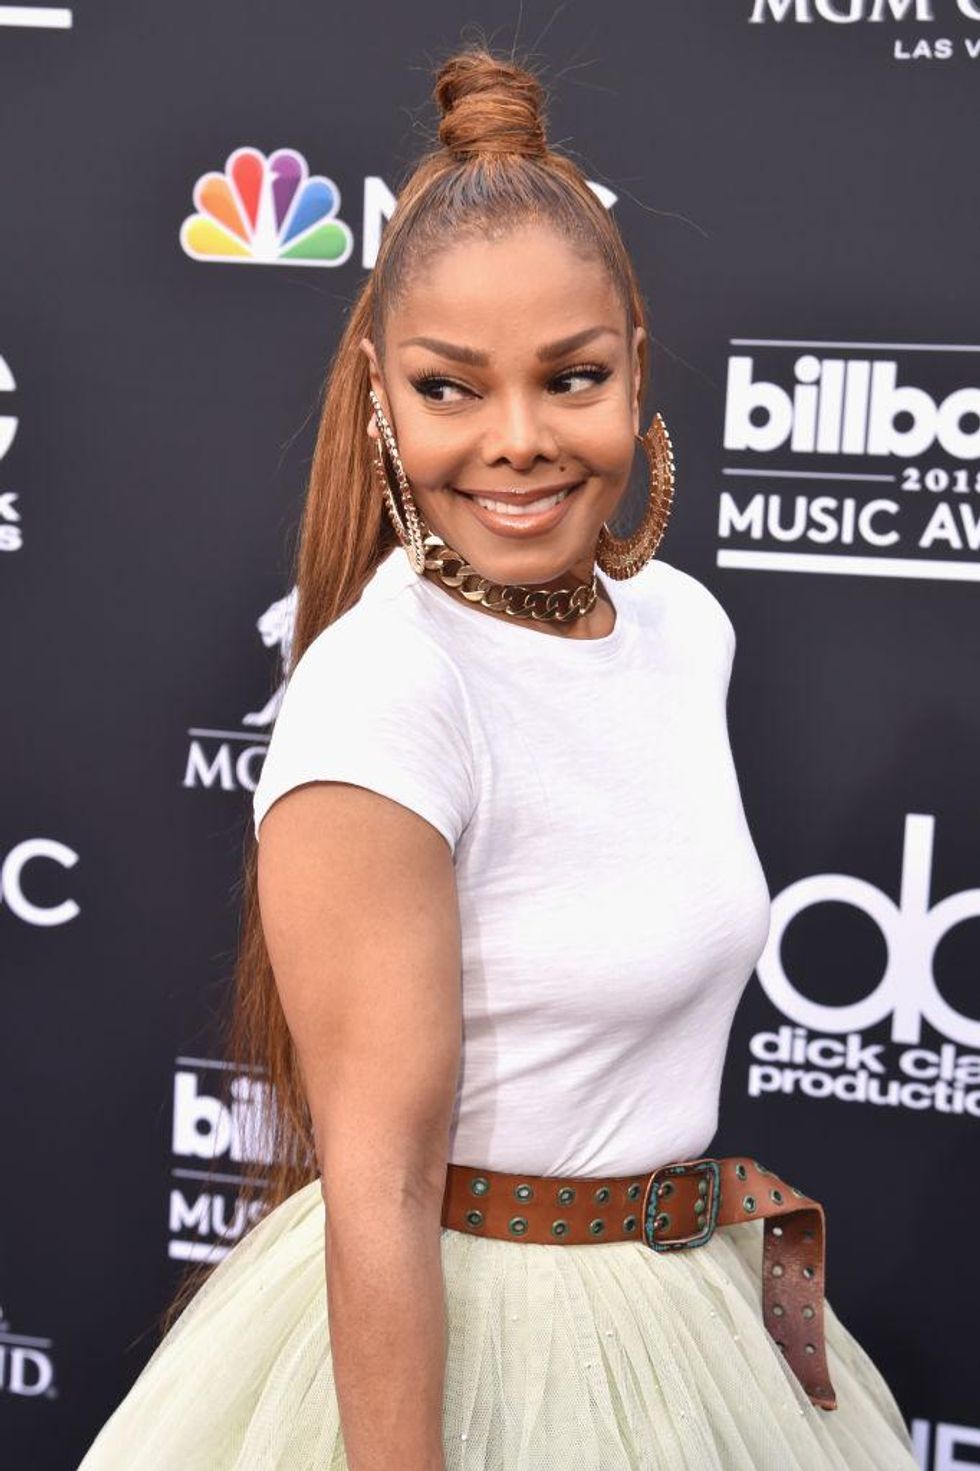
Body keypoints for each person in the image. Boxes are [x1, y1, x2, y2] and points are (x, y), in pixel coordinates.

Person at [77, 45, 920, 1471]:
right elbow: (383, 1191)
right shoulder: (387, 694)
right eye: (451, 389)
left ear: (636, 361)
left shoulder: (686, 628)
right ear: (380, 393)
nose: (518, 442)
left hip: (692, 1311)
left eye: (571, 377)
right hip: (474, 1353)